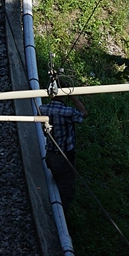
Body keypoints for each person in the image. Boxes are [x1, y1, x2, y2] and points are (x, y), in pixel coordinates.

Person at [39, 75, 88, 211]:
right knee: (66, 190)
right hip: (64, 157)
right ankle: (61, 217)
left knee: (54, 180)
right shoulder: (68, 112)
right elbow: (83, 112)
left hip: (50, 154)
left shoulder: (42, 109)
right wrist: (72, 96)